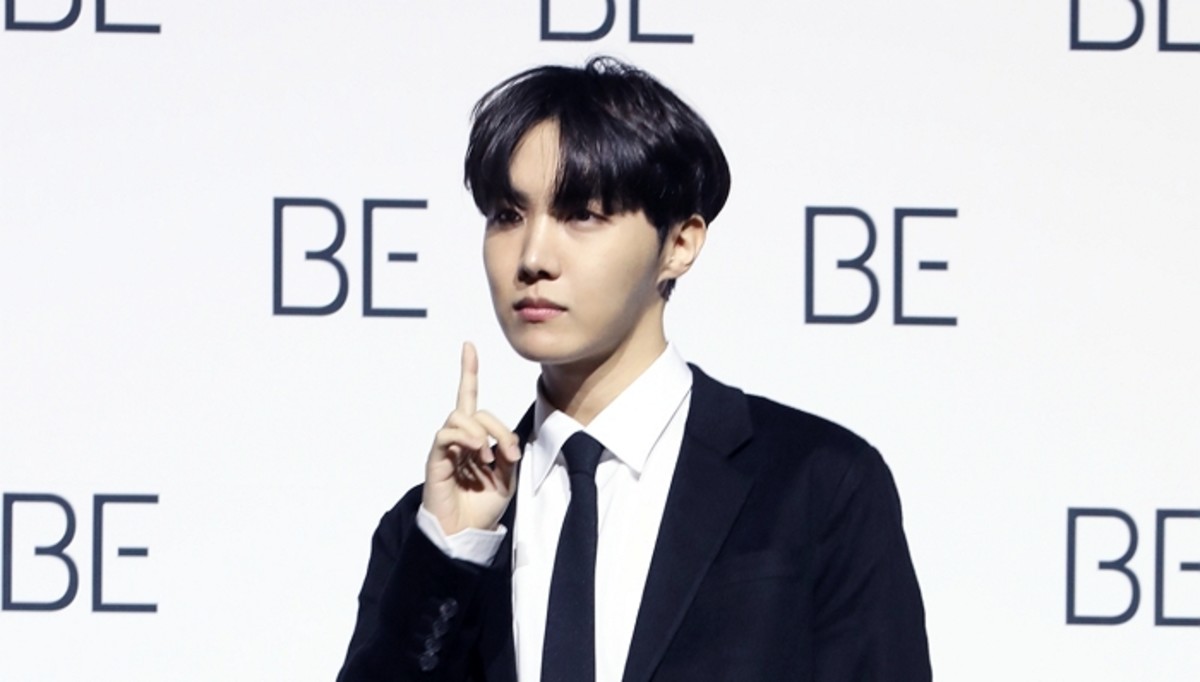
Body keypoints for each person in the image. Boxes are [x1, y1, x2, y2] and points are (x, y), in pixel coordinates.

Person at [337, 56, 931, 681]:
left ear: (679, 244)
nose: (533, 257)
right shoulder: (431, 529)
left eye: (582, 215)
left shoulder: (818, 483)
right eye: (508, 216)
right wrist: (450, 554)